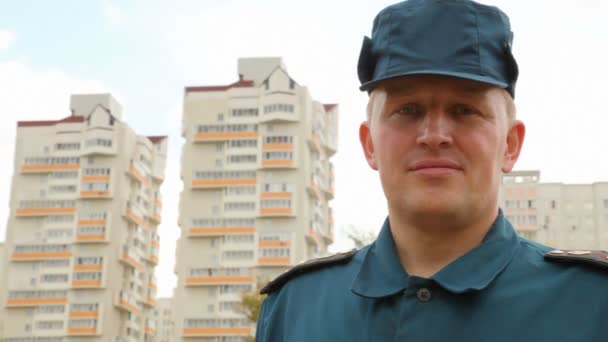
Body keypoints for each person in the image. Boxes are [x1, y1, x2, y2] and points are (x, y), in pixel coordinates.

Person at [255, 0, 608, 340]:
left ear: (511, 144)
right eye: (407, 110)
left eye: (465, 110)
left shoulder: (593, 304)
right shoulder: (295, 309)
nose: (434, 135)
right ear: (369, 144)